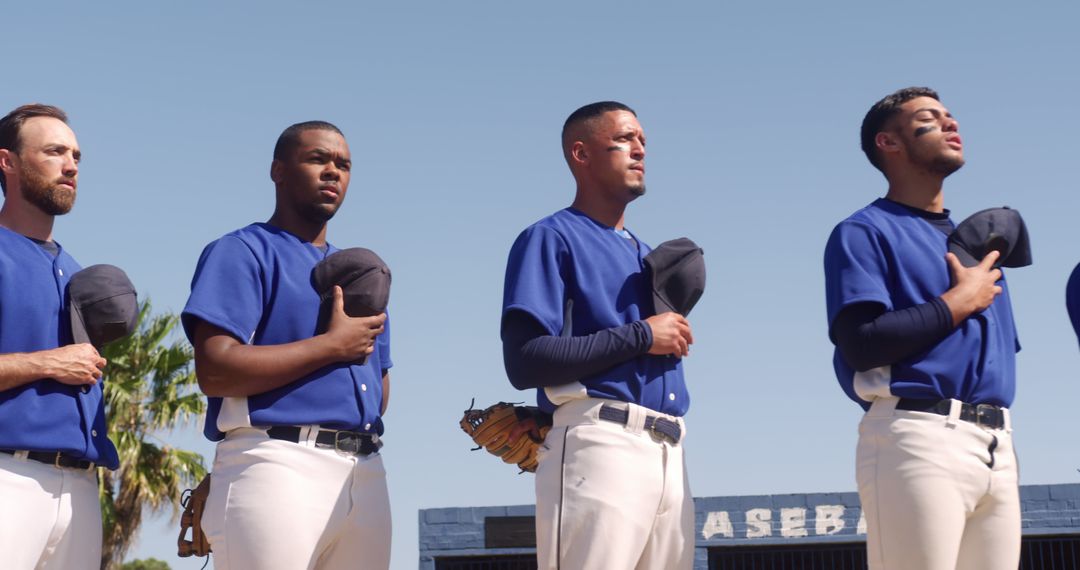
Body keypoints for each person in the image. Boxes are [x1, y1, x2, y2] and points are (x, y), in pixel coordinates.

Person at [823, 87, 1021, 569]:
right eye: (930, 119)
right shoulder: (864, 231)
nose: (951, 124)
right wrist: (957, 303)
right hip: (918, 436)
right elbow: (861, 344)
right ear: (888, 143)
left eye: (951, 115)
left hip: (998, 443)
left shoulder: (974, 245)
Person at [183, 121, 392, 570]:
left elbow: (379, 392)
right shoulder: (242, 250)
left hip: (365, 470)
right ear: (278, 170)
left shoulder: (360, 271)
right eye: (318, 159)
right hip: (276, 464)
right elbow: (215, 370)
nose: (333, 172)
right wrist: (332, 346)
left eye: (344, 165)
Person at [501, 101, 695, 570]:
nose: (639, 150)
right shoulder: (551, 237)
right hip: (601, 444)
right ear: (581, 154)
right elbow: (525, 360)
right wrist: (641, 336)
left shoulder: (647, 255)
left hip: (670, 452)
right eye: (625, 139)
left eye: (643, 142)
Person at [0, 104, 118, 570]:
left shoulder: (75, 270)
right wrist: (48, 363)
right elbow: (57, 363)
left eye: (76, 156)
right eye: (54, 151)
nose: (70, 165)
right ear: (6, 161)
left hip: (81, 490)